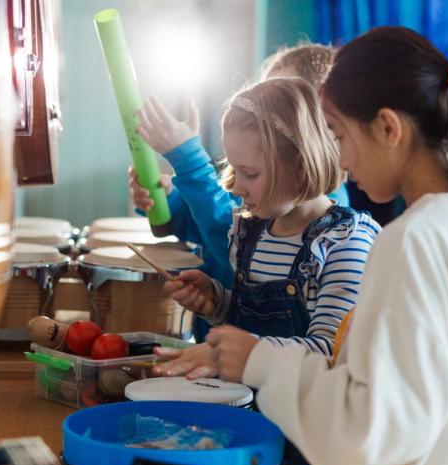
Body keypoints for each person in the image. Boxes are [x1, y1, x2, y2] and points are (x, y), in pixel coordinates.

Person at [206, 26, 448, 465]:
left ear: (389, 127)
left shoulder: (411, 240)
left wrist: (261, 362)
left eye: (340, 137)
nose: (340, 162)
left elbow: (373, 424)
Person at [144, 77, 380, 465]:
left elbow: (326, 355)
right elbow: (253, 311)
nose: (236, 186)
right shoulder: (247, 231)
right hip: (250, 423)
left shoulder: (344, 243)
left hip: (308, 441)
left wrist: (235, 352)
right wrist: (217, 302)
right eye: (233, 169)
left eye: (249, 173)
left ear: (300, 162)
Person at [129, 43, 347, 296]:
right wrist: (168, 201)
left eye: (283, 99)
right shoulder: (263, 179)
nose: (264, 107)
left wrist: (190, 163)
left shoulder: (327, 216)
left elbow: (231, 241)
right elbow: (215, 223)